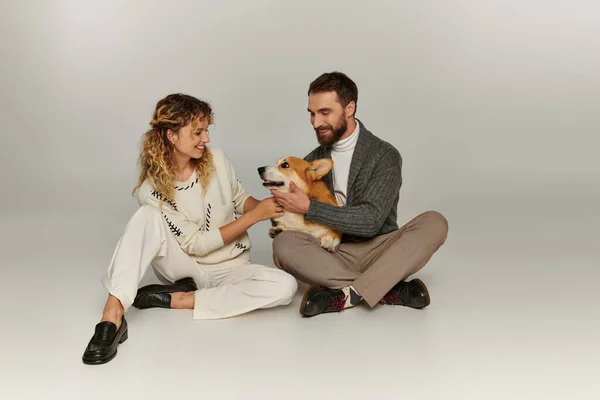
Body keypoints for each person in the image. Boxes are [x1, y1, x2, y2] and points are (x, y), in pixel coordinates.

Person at [82, 94, 298, 365]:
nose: (206, 139)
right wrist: (255, 217)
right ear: (172, 136)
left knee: (285, 287)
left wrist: (271, 207)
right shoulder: (152, 190)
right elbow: (195, 244)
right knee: (146, 216)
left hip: (232, 266)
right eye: (197, 132)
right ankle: (112, 315)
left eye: (206, 130)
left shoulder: (217, 159)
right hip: (185, 264)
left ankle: (181, 299)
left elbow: (240, 199)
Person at [270, 72, 448, 317]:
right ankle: (386, 287)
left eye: (324, 113)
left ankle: (345, 295)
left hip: (380, 248)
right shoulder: (311, 161)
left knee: (435, 222)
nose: (315, 122)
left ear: (349, 108)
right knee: (282, 244)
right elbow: (285, 220)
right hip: (330, 251)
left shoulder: (384, 155)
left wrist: (309, 208)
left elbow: (371, 220)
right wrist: (281, 202)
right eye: (311, 113)